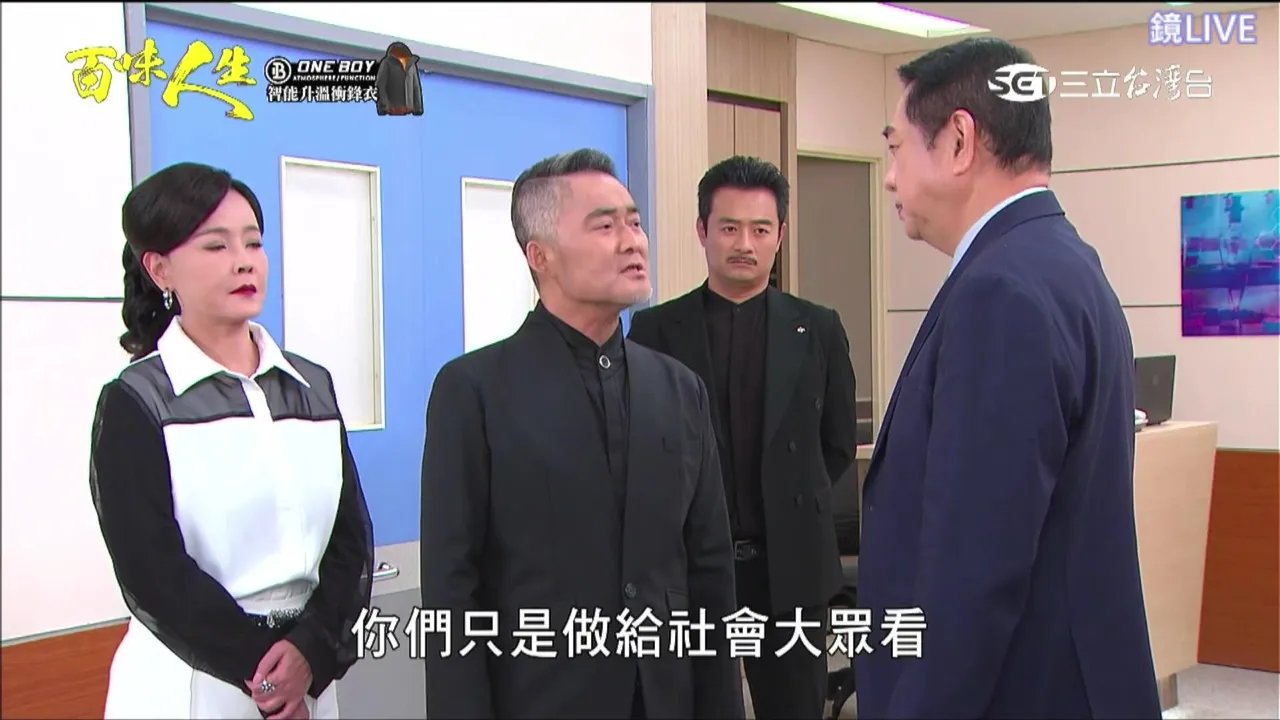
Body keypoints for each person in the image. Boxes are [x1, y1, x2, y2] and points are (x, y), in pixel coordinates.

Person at [858, 37, 1160, 718]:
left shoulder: (1001, 293)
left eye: (896, 148)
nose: (890, 178)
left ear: (959, 141)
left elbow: (974, 575)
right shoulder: (1062, 262)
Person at [420, 148, 744, 719]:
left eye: (635, 222)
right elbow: (452, 592)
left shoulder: (679, 389)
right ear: (540, 255)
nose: (632, 241)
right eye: (605, 226)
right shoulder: (474, 391)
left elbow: (710, 574)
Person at [90, 162, 375, 719]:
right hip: (195, 681)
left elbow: (350, 542)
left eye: (254, 242)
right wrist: (264, 673)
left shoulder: (311, 387)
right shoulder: (138, 400)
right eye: (216, 245)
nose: (244, 260)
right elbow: (151, 570)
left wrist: (310, 653)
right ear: (160, 269)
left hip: (306, 680)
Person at [628, 155, 857, 718]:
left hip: (791, 567)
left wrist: (787, 494)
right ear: (702, 230)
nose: (744, 244)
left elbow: (835, 442)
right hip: (690, 566)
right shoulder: (655, 330)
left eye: (760, 229)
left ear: (781, 234)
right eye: (729, 228)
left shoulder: (818, 327)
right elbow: (643, 447)